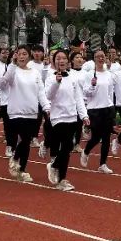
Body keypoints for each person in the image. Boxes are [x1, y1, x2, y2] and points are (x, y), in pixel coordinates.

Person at [0, 45, 50, 183]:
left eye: (24, 54)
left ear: (29, 56)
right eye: (19, 54)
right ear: (15, 56)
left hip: (31, 111)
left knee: (26, 142)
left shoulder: (35, 73)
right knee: (24, 139)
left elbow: (40, 92)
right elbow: (1, 84)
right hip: (16, 111)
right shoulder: (12, 70)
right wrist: (12, 66)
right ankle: (16, 160)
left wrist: (46, 106)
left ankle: (21, 169)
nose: (22, 56)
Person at [44, 50, 90, 191]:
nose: (61, 60)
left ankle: (61, 178)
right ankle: (54, 166)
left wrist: (84, 116)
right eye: (58, 58)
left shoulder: (72, 78)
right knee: (66, 145)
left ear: (68, 62)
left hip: (72, 116)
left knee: (67, 149)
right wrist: (57, 82)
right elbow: (48, 96)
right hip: (58, 117)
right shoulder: (51, 78)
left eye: (64, 58)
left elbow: (78, 99)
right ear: (54, 61)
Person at [81, 49, 117, 174]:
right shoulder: (89, 74)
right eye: (98, 57)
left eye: (102, 56)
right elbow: (86, 92)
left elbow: (110, 92)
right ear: (94, 59)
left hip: (107, 108)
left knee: (106, 138)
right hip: (94, 109)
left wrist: (111, 106)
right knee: (96, 138)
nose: (101, 59)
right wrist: (92, 85)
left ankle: (103, 164)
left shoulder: (109, 74)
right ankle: (86, 151)